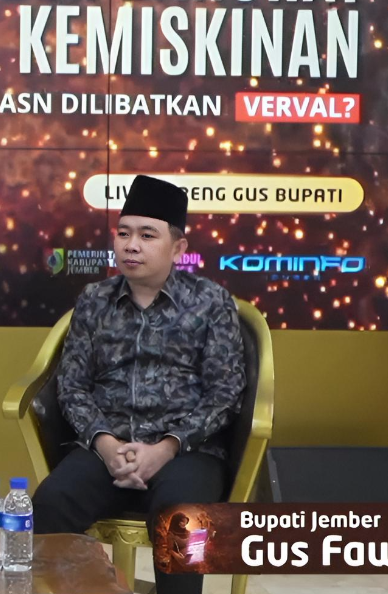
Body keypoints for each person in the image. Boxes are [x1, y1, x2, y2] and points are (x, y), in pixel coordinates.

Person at [32, 175, 246, 594]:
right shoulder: (94, 300)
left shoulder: (211, 303)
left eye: (147, 235)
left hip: (186, 451)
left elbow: (225, 393)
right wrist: (105, 444)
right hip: (106, 446)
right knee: (51, 504)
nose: (131, 246)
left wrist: (166, 447)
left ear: (178, 248)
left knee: (181, 519)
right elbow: (72, 386)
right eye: (124, 233)